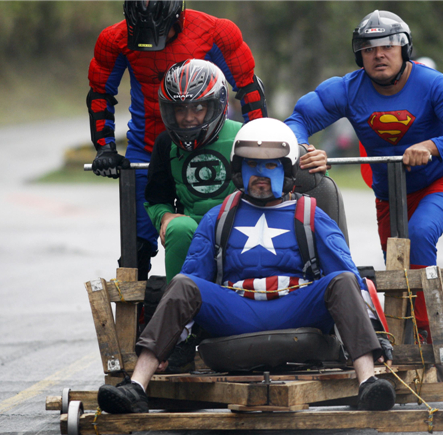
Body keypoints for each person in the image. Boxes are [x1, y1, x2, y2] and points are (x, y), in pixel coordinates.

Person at [97, 118, 396, 413]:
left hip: (296, 306)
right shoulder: (219, 216)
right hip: (236, 310)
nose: (260, 174)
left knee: (342, 279)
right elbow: (190, 281)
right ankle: (136, 387)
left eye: (270, 165)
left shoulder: (310, 213)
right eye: (252, 165)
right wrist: (174, 337)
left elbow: (349, 276)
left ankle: (368, 382)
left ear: (288, 169)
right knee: (183, 284)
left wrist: (375, 331)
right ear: (239, 170)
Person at [285, 10, 443, 340]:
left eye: (388, 46)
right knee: (397, 268)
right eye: (368, 48)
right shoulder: (346, 89)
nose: (379, 54)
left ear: (404, 49)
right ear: (359, 56)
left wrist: (432, 146)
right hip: (390, 195)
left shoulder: (437, 84)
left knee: (418, 235)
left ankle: (428, 336)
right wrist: (305, 149)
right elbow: (298, 119)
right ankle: (398, 341)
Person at [145, 59, 330, 372]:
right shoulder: (165, 144)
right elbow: (155, 196)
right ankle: (181, 337)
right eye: (180, 111)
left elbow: (285, 163)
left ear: (216, 106)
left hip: (244, 219)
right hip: (195, 231)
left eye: (197, 109)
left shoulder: (247, 135)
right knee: (180, 229)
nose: (188, 119)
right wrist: (164, 216)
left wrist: (316, 157)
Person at [87, 0, 268, 279]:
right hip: (147, 147)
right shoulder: (114, 39)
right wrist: (105, 147)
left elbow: (247, 86)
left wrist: (260, 144)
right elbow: (100, 91)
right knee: (137, 245)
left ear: (177, 17)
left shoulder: (215, 32)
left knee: (232, 223)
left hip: (208, 143)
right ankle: (146, 317)